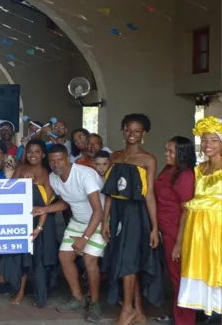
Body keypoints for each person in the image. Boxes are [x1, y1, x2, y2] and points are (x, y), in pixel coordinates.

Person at [101, 113, 162, 325]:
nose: (132, 134)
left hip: (136, 214)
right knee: (127, 259)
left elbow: (150, 195)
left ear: (143, 133)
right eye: (128, 129)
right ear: (123, 130)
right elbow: (110, 192)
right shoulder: (116, 156)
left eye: (137, 131)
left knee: (128, 260)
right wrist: (105, 220)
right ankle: (139, 312)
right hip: (117, 211)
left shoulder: (148, 160)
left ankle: (126, 310)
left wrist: (154, 228)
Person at [37, 144, 105, 322]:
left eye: (59, 159)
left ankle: (95, 303)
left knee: (90, 260)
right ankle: (78, 298)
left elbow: (98, 211)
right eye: (52, 160)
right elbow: (66, 202)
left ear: (68, 159)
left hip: (99, 221)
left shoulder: (85, 175)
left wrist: (85, 239)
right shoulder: (53, 178)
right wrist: (45, 209)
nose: (55, 163)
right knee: (64, 257)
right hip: (78, 221)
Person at [0, 139, 59, 307]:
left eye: (37, 151)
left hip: (41, 223)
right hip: (23, 220)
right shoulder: (21, 169)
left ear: (43, 154)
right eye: (30, 151)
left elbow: (46, 206)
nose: (33, 155)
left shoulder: (48, 175)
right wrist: (22, 182)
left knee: (39, 260)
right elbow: (8, 190)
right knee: (23, 257)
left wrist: (39, 227)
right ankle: (21, 290)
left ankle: (41, 294)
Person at [177, 116, 222, 319]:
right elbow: (188, 207)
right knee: (203, 274)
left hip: (218, 230)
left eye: (213, 139)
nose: (207, 144)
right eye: (204, 139)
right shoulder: (198, 170)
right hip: (197, 232)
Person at [154, 136, 196, 325]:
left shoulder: (185, 175)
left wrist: (179, 243)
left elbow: (186, 211)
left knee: (180, 278)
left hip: (176, 232)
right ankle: (179, 315)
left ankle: (184, 321)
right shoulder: (170, 169)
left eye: (170, 151)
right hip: (165, 229)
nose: (166, 154)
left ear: (182, 153)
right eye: (166, 149)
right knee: (174, 277)